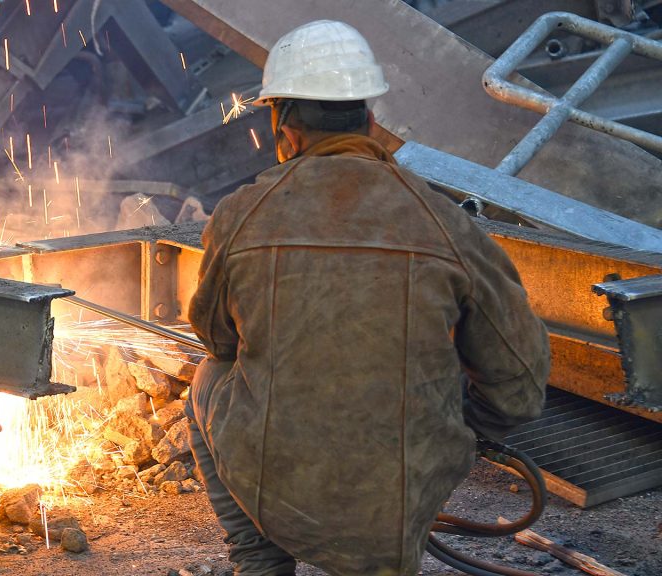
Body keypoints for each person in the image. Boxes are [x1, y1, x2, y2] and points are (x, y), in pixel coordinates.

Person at [184, 20, 551, 576]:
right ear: (372, 121)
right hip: (404, 494)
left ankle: (259, 560)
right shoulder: (443, 219)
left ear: (282, 126)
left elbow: (216, 339)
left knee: (208, 378)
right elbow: (520, 381)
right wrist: (463, 433)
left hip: (274, 482)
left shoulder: (241, 213)